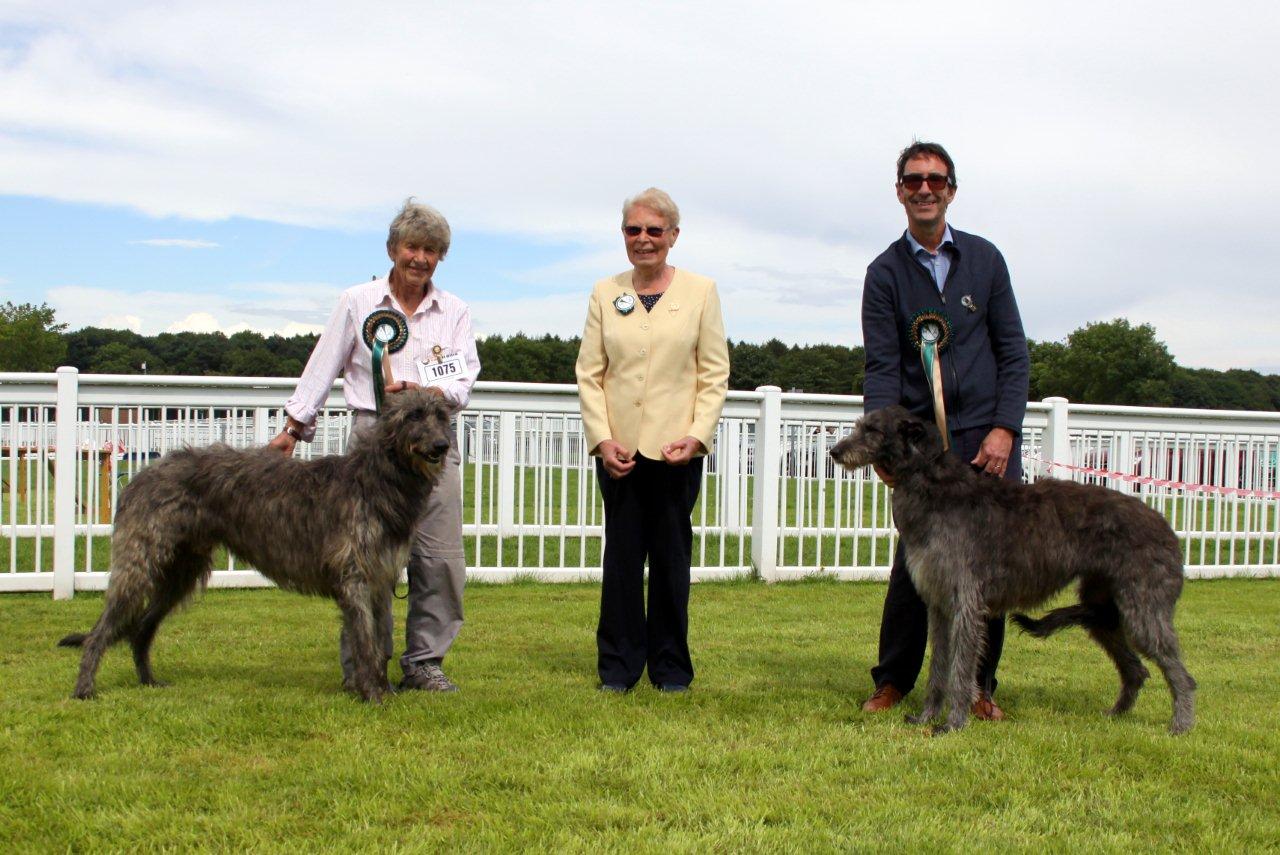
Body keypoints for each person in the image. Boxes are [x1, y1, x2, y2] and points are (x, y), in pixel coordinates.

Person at [269, 198, 480, 693]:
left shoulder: (455, 312)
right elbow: (323, 365)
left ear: (440, 258)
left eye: (432, 250)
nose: (420, 258)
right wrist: (295, 426)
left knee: (439, 557)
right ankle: (365, 665)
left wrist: (423, 395)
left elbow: (464, 381)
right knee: (362, 562)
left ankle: (425, 662)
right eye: (412, 246)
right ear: (392, 249)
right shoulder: (357, 301)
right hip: (370, 440)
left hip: (430, 439)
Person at [860, 142, 1030, 719]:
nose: (925, 189)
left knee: (989, 564)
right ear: (900, 191)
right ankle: (893, 681)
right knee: (916, 564)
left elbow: (1013, 353)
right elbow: (882, 365)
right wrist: (883, 440)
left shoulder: (986, 261)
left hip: (986, 439)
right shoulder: (884, 273)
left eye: (936, 180)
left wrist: (1005, 428)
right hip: (919, 449)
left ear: (951, 190)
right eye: (914, 180)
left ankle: (979, 686)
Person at [575, 188, 730, 693]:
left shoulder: (701, 292)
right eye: (633, 230)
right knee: (620, 562)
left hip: (674, 453)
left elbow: (713, 374)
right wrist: (602, 440)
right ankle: (617, 670)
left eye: (653, 231)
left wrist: (696, 436)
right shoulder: (604, 292)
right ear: (623, 235)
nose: (643, 240)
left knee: (670, 561)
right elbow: (590, 374)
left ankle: (671, 670)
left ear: (673, 237)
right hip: (619, 453)